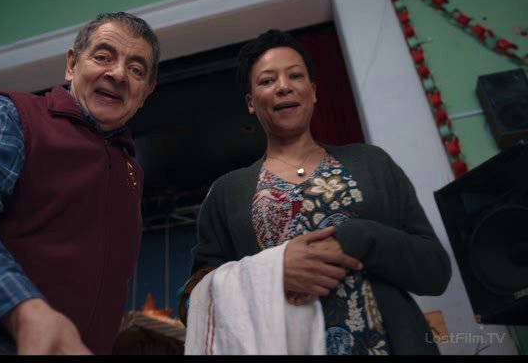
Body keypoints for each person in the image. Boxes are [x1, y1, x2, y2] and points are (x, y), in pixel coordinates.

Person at [178, 29, 451, 355]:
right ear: (251, 102)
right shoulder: (227, 193)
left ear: (314, 91)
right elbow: (193, 304)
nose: (283, 86)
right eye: (267, 80)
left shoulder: (372, 163)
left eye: (295, 75)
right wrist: (272, 273)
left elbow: (436, 271)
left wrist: (359, 237)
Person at [0, 12, 160, 355]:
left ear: (146, 93)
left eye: (136, 69)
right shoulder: (15, 115)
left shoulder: (132, 171)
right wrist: (22, 309)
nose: (118, 74)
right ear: (72, 65)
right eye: (102, 57)